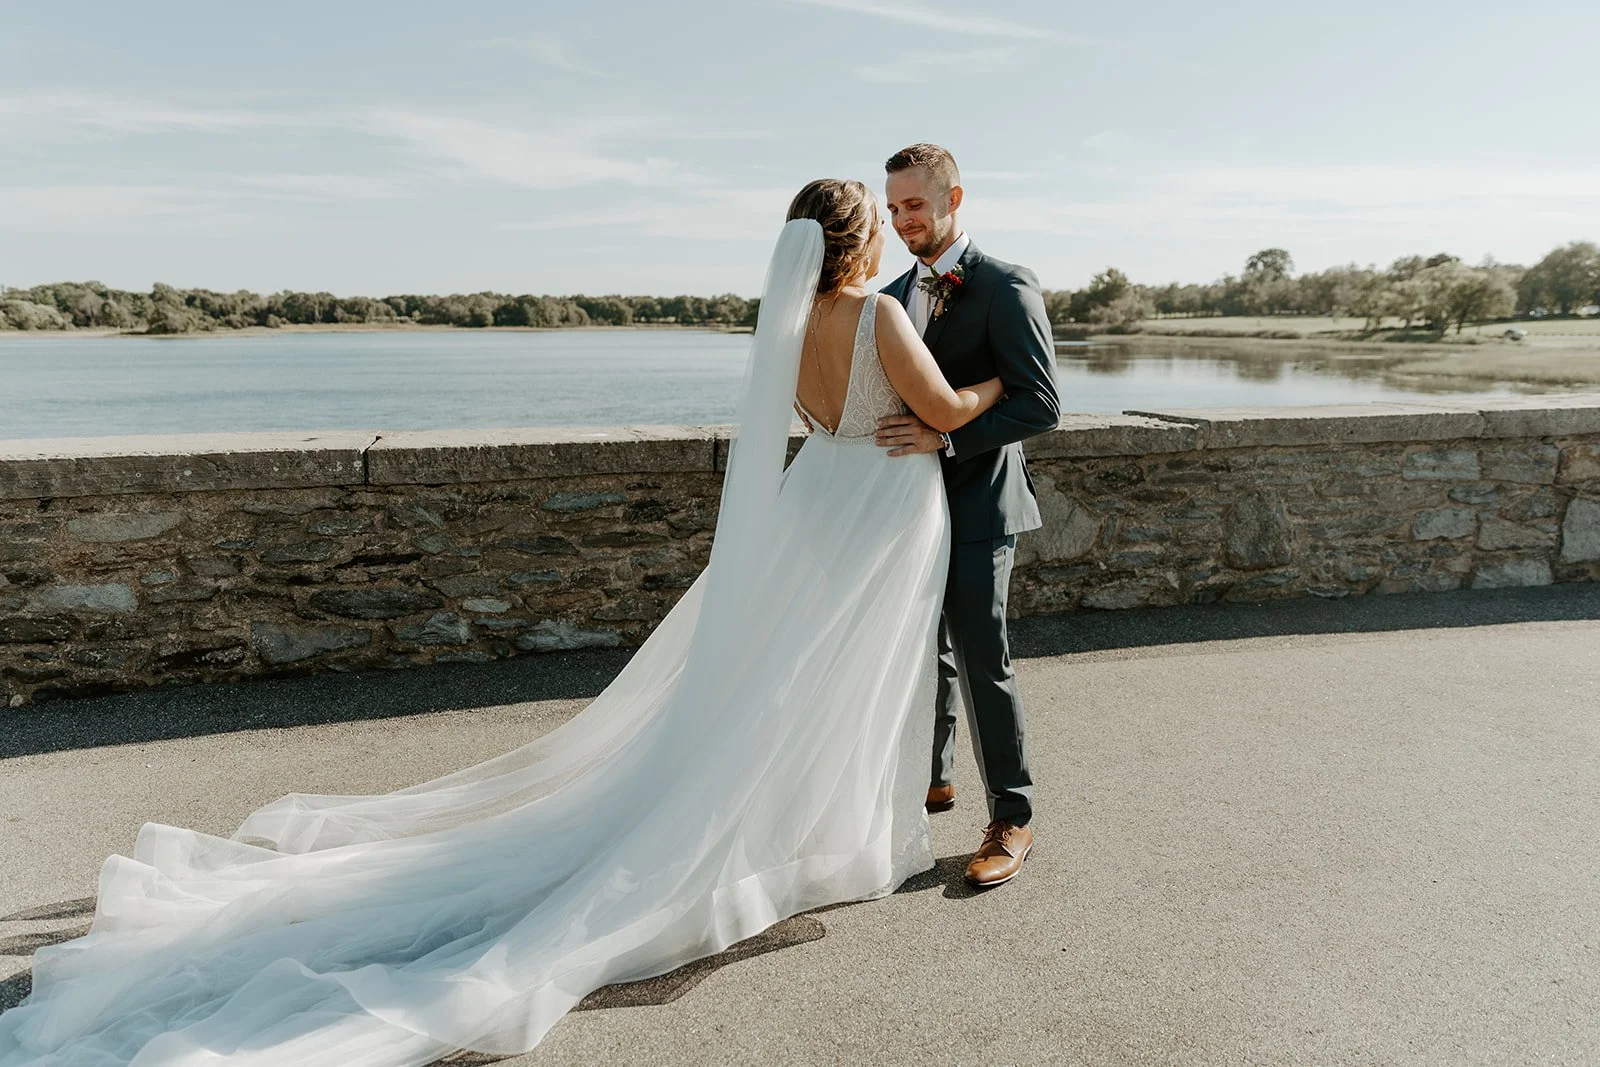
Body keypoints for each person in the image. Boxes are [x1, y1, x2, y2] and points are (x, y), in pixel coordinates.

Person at [0, 180, 1006, 1066]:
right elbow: (946, 411)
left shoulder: (787, 326)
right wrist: (998, 382)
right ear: (859, 240)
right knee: (855, 673)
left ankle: (807, 829)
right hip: (881, 504)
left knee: (802, 675)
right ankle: (837, 834)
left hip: (819, 499)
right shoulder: (877, 314)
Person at [875, 143, 1062, 889]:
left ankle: (1013, 816)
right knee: (927, 650)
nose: (902, 220)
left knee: (983, 656)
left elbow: (1041, 404)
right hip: (908, 506)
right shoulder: (890, 295)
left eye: (915, 205)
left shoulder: (1005, 285)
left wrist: (946, 437)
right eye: (893, 208)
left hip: (982, 500)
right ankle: (936, 774)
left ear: (954, 199)